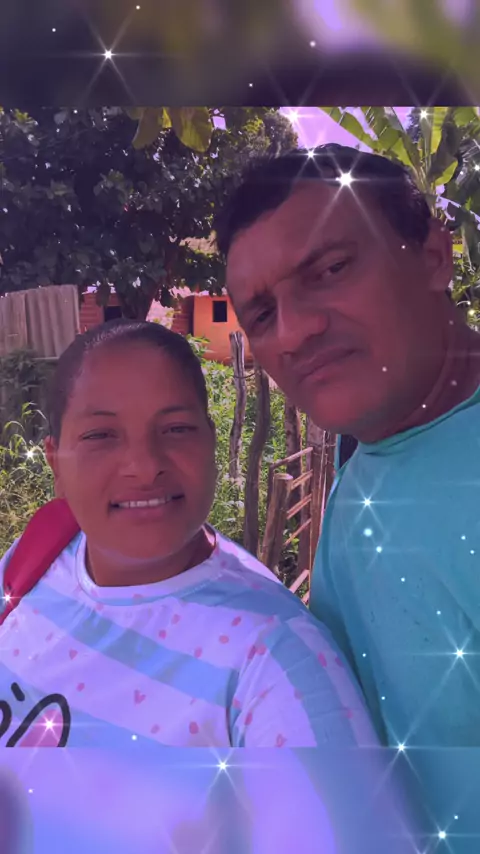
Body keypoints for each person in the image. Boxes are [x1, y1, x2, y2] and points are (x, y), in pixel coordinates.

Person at [216, 144, 480, 828]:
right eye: (262, 314)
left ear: (433, 255)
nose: (295, 332)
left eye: (331, 270)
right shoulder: (369, 438)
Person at [0, 318, 379, 750]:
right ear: (55, 460)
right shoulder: (38, 553)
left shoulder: (278, 663)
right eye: (101, 435)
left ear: (211, 441)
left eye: (176, 429)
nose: (145, 467)